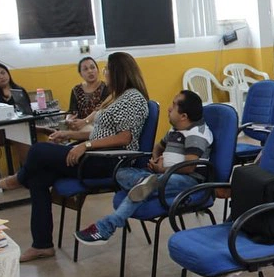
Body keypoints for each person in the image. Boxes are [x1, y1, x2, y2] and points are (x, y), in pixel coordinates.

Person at [0, 52, 150, 263]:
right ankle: (42, 245)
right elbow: (101, 132)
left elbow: (124, 137)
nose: (104, 73)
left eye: (106, 70)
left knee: (37, 151)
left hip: (108, 162)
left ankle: (18, 179)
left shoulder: (133, 98)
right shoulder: (117, 97)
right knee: (38, 178)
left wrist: (84, 146)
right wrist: (70, 135)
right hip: (95, 154)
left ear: (118, 72)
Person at [75, 90, 212, 245]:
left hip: (188, 181)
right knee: (120, 172)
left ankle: (106, 227)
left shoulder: (197, 134)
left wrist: (162, 170)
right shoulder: (175, 129)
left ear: (183, 116)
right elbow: (158, 147)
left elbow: (189, 168)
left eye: (173, 106)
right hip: (164, 175)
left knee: (145, 185)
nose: (169, 108)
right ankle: (145, 183)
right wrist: (155, 160)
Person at [66, 56, 109, 131]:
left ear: (97, 70)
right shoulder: (76, 89)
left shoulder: (106, 87)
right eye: (85, 69)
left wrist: (84, 122)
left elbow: (101, 109)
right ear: (80, 74)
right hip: (80, 125)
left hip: (100, 125)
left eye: (92, 67)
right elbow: (72, 111)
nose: (90, 71)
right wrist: (68, 119)